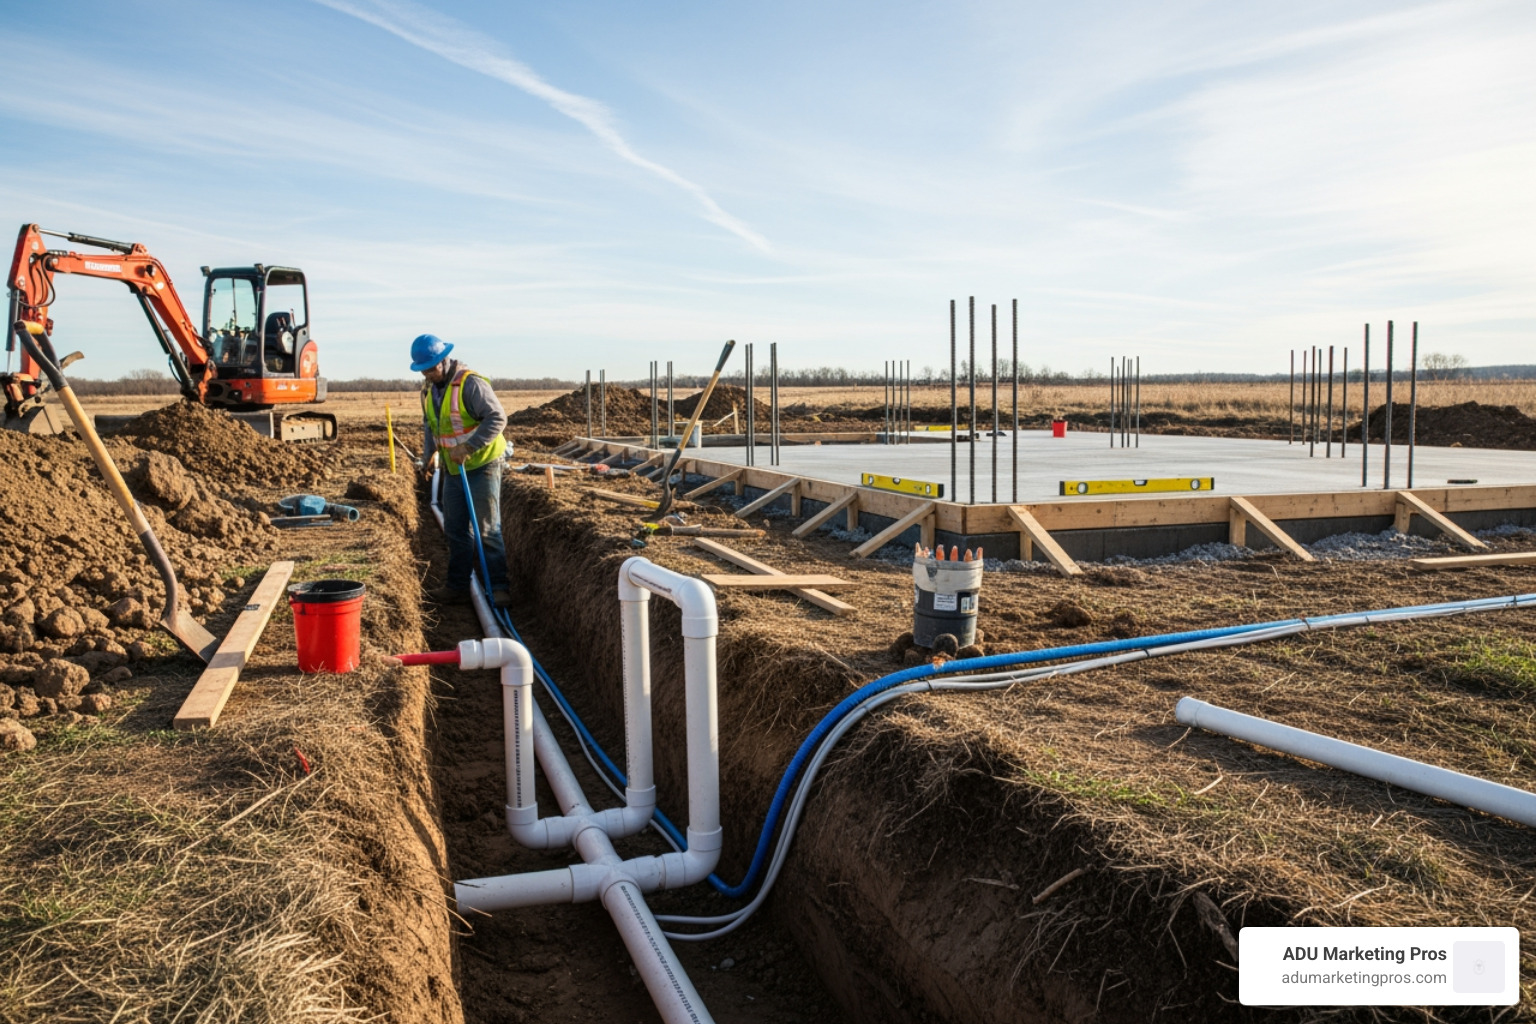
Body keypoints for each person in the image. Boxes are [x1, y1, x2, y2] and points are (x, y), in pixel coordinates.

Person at [412, 333, 512, 607]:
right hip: (454, 469)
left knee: (488, 529)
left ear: (444, 361)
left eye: (431, 368)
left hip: (483, 464)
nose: (428, 374)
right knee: (455, 529)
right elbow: (430, 426)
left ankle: (499, 586)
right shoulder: (428, 391)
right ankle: (457, 585)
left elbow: (498, 418)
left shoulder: (470, 384)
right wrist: (428, 457)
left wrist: (468, 448)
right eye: (423, 370)